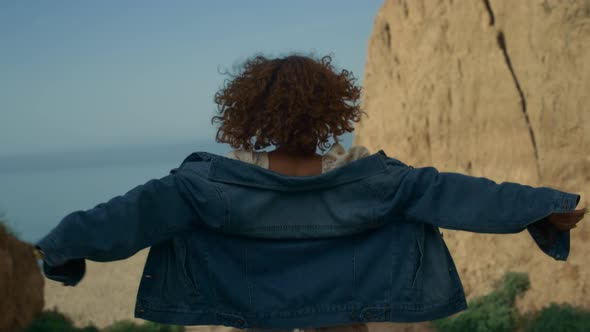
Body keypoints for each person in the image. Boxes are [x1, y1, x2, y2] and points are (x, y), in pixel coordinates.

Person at [34, 54, 586, 332]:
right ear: (331, 111)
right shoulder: (377, 179)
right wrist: (546, 207)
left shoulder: (206, 183)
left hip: (255, 315)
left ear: (248, 111)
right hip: (344, 320)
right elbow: (463, 195)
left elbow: (127, 215)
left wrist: (63, 247)